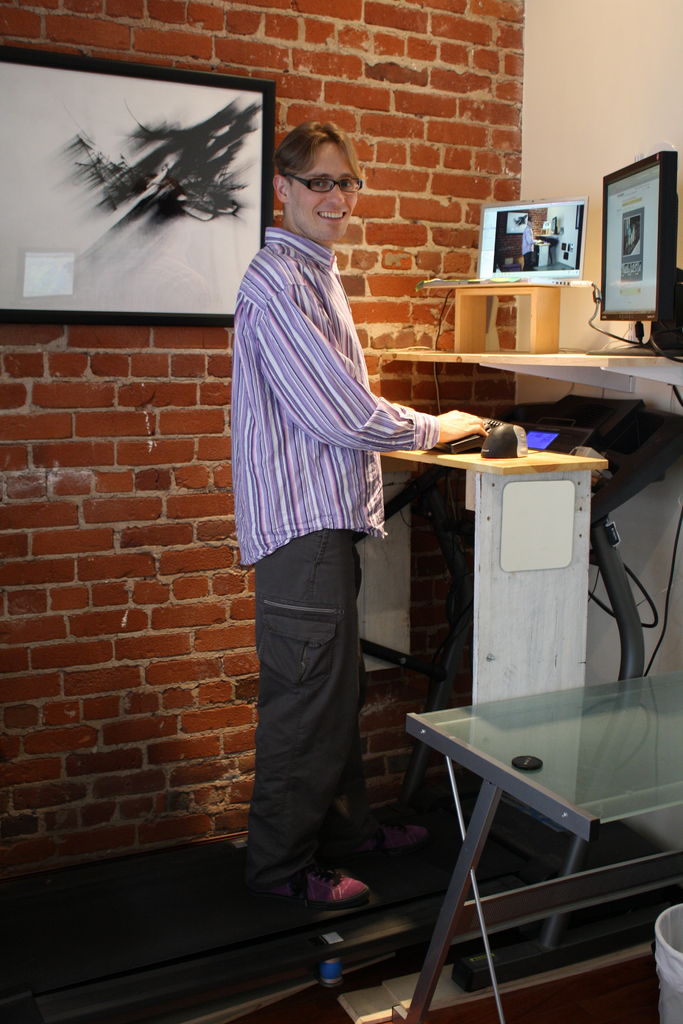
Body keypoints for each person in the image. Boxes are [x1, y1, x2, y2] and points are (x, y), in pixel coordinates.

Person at [231, 121, 487, 910]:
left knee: (335, 691)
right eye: (319, 183)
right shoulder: (277, 280)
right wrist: (436, 429)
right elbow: (339, 414)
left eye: (346, 183)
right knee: (306, 701)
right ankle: (279, 872)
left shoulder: (316, 272)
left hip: (323, 523)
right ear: (282, 188)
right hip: (301, 530)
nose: (336, 198)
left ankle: (342, 835)